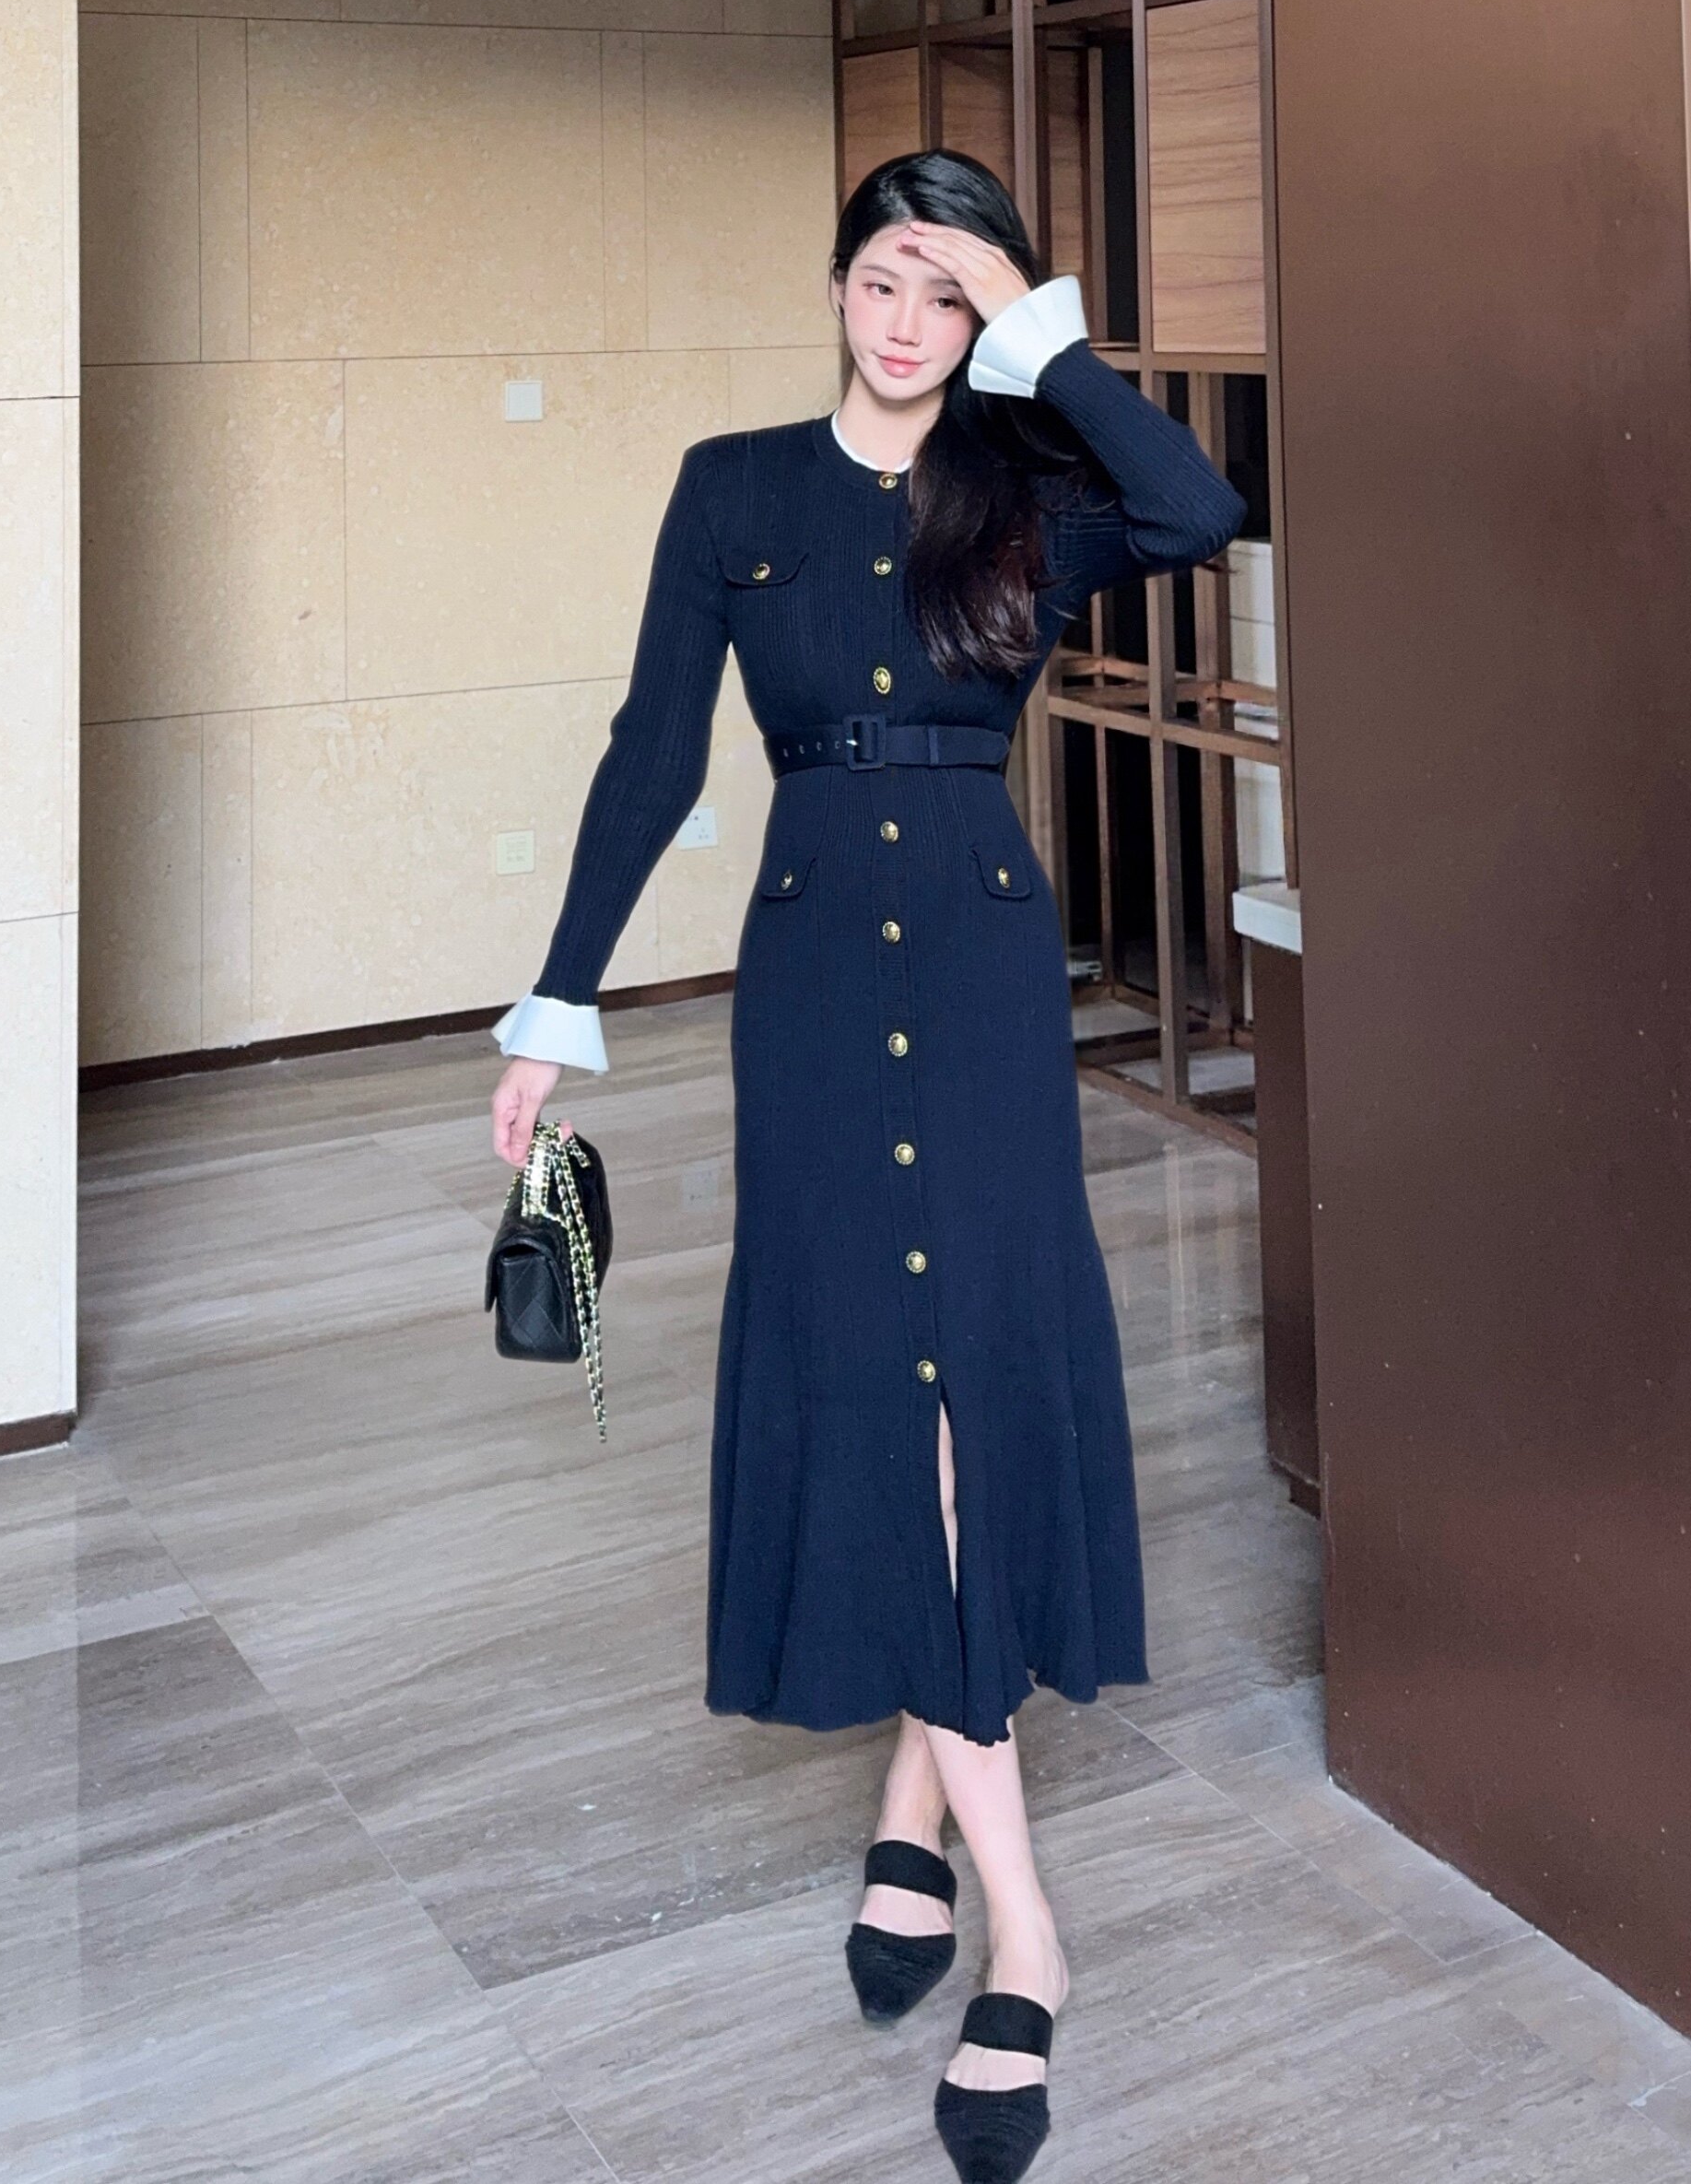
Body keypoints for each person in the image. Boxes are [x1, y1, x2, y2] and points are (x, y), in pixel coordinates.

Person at [490, 149, 1244, 2183]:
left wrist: (1042, 339)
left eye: (947, 293)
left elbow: (1200, 507)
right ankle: (970, 1861)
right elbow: (654, 748)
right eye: (884, 281)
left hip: (985, 971)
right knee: (874, 1377)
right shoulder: (733, 490)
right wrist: (557, 1003)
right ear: (834, 288)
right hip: (815, 975)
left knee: (968, 1377)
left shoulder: (1030, 495)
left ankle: (996, 1898)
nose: (907, 323)